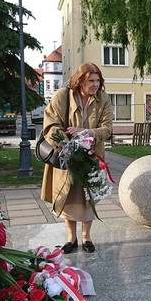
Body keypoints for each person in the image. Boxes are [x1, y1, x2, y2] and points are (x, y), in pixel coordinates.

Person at [40, 63, 113, 254]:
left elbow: (107, 129)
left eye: (98, 81)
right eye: (91, 81)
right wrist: (66, 144)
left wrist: (87, 132)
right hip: (67, 156)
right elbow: (51, 124)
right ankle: (71, 238)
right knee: (69, 197)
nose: (95, 85)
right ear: (80, 80)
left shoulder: (103, 98)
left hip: (91, 158)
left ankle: (86, 237)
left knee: (88, 198)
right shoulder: (63, 96)